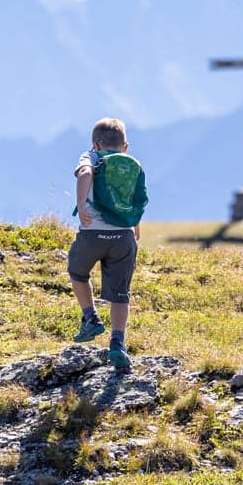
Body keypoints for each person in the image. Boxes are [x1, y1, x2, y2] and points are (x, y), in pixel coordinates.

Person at [70, 118, 145, 372]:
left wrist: (81, 204)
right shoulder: (131, 165)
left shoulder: (90, 157)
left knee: (78, 273)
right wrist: (135, 224)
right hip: (123, 237)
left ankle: (90, 317)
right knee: (120, 292)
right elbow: (139, 197)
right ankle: (117, 342)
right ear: (125, 146)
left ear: (95, 143)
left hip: (92, 234)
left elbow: (85, 173)